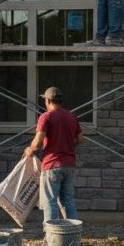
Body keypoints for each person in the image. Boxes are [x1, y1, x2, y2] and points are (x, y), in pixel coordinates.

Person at [23, 87, 83, 222]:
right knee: (68, 201)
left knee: (50, 201)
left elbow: (37, 143)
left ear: (48, 100)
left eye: (45, 99)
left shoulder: (46, 117)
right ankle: (72, 236)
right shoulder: (72, 117)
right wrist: (65, 143)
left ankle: (52, 238)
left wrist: (29, 150)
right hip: (69, 165)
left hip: (52, 165)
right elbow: (80, 139)